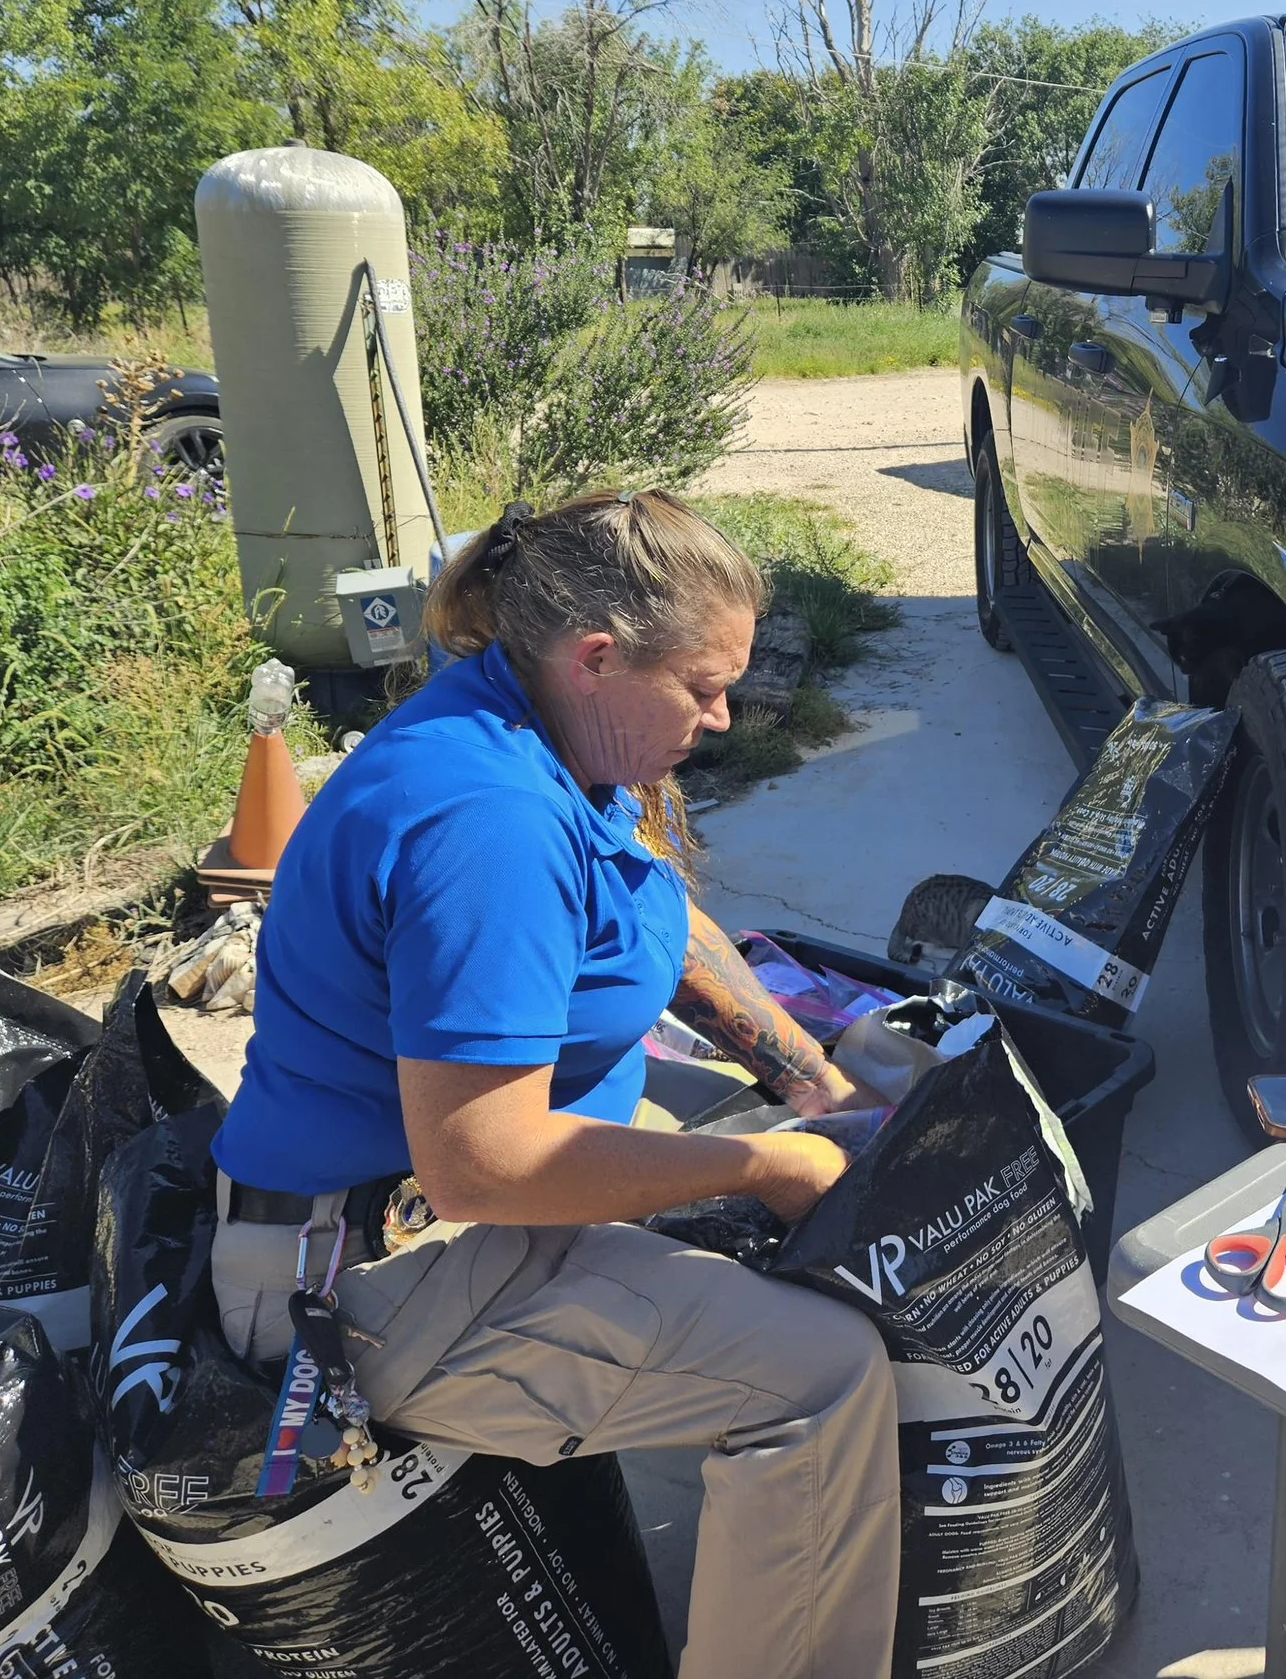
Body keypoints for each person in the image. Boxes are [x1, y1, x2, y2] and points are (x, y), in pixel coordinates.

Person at [209, 489, 901, 1679]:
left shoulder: (543, 725)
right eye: (702, 687)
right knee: (827, 1375)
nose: (724, 719)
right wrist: (766, 1164)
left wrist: (812, 1081)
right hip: (369, 1282)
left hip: (440, 1202)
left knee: (833, 1135)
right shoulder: (486, 823)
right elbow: (484, 1165)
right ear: (597, 656)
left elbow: (654, 919)